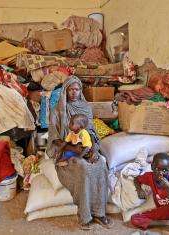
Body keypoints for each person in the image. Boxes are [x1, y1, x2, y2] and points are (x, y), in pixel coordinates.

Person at [47, 76, 110, 230]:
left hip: (85, 148)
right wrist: (74, 149)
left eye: (77, 89)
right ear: (65, 91)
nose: (74, 93)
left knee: (101, 162)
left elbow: (92, 133)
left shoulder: (86, 108)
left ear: (81, 91)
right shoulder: (58, 110)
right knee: (82, 166)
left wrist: (94, 149)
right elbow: (55, 139)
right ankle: (85, 215)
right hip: (67, 150)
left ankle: (100, 213)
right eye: (71, 89)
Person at [132, 153, 169, 235]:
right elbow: (136, 179)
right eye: (157, 169)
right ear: (152, 167)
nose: (160, 173)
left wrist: (168, 188)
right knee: (135, 219)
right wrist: (139, 190)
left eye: (164, 170)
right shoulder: (149, 177)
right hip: (165, 209)